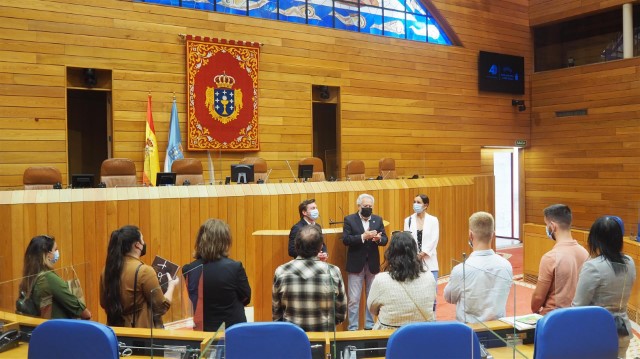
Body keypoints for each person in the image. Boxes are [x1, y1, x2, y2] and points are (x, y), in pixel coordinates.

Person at [572, 216, 636, 358]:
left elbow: (578, 306)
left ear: (595, 239)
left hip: (597, 330)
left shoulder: (593, 266)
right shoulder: (630, 262)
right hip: (622, 329)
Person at [100, 225, 178, 328]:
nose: (144, 243)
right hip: (139, 334)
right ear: (137, 245)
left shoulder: (106, 269)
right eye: (142, 239)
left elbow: (103, 303)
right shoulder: (145, 271)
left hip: (114, 331)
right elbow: (161, 307)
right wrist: (171, 285)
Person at [273, 225, 347, 331]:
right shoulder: (333, 271)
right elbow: (341, 312)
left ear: (296, 245)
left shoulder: (281, 271)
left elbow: (276, 313)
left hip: (293, 337)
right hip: (325, 338)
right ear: (321, 246)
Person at [183, 219, 251, 331]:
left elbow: (192, 298)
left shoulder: (189, 269)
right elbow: (246, 298)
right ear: (225, 241)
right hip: (232, 333)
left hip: (202, 335)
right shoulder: (235, 268)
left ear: (200, 241)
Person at [444, 212, 513, 323]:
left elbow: (449, 297)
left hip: (469, 333)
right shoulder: (506, 266)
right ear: (493, 235)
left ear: (470, 235)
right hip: (498, 329)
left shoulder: (460, 270)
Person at [367, 231, 436, 329]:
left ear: (390, 253)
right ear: (414, 252)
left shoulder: (381, 280)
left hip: (388, 336)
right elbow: (431, 301)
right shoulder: (429, 277)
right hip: (423, 333)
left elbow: (372, 309)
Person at [342, 193, 388, 330]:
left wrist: (378, 239)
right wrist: (363, 236)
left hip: (372, 264)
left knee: (371, 297)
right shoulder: (350, 219)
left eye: (370, 206)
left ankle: (369, 326)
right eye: (365, 206)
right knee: (354, 299)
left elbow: (385, 239)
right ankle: (353, 328)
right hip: (356, 264)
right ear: (359, 206)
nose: (367, 208)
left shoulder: (378, 220)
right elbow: (346, 240)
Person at [531, 204, 588, 315]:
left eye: (546, 224)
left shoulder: (550, 257)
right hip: (578, 315)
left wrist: (534, 309)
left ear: (552, 226)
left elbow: (538, 298)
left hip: (553, 317)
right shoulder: (584, 253)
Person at [18, 235, 91, 320]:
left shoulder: (30, 278)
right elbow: (75, 305)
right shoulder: (48, 278)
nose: (57, 253)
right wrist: (87, 314)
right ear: (47, 254)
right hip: (61, 329)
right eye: (55, 249)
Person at [404, 194, 439, 314]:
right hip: (413, 261)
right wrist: (415, 255)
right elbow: (407, 239)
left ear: (426, 205)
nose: (415, 204)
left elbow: (434, 239)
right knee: (415, 293)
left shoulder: (433, 220)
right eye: (414, 202)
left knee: (432, 294)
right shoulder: (408, 220)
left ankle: (432, 319)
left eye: (418, 202)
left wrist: (422, 254)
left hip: (429, 261)